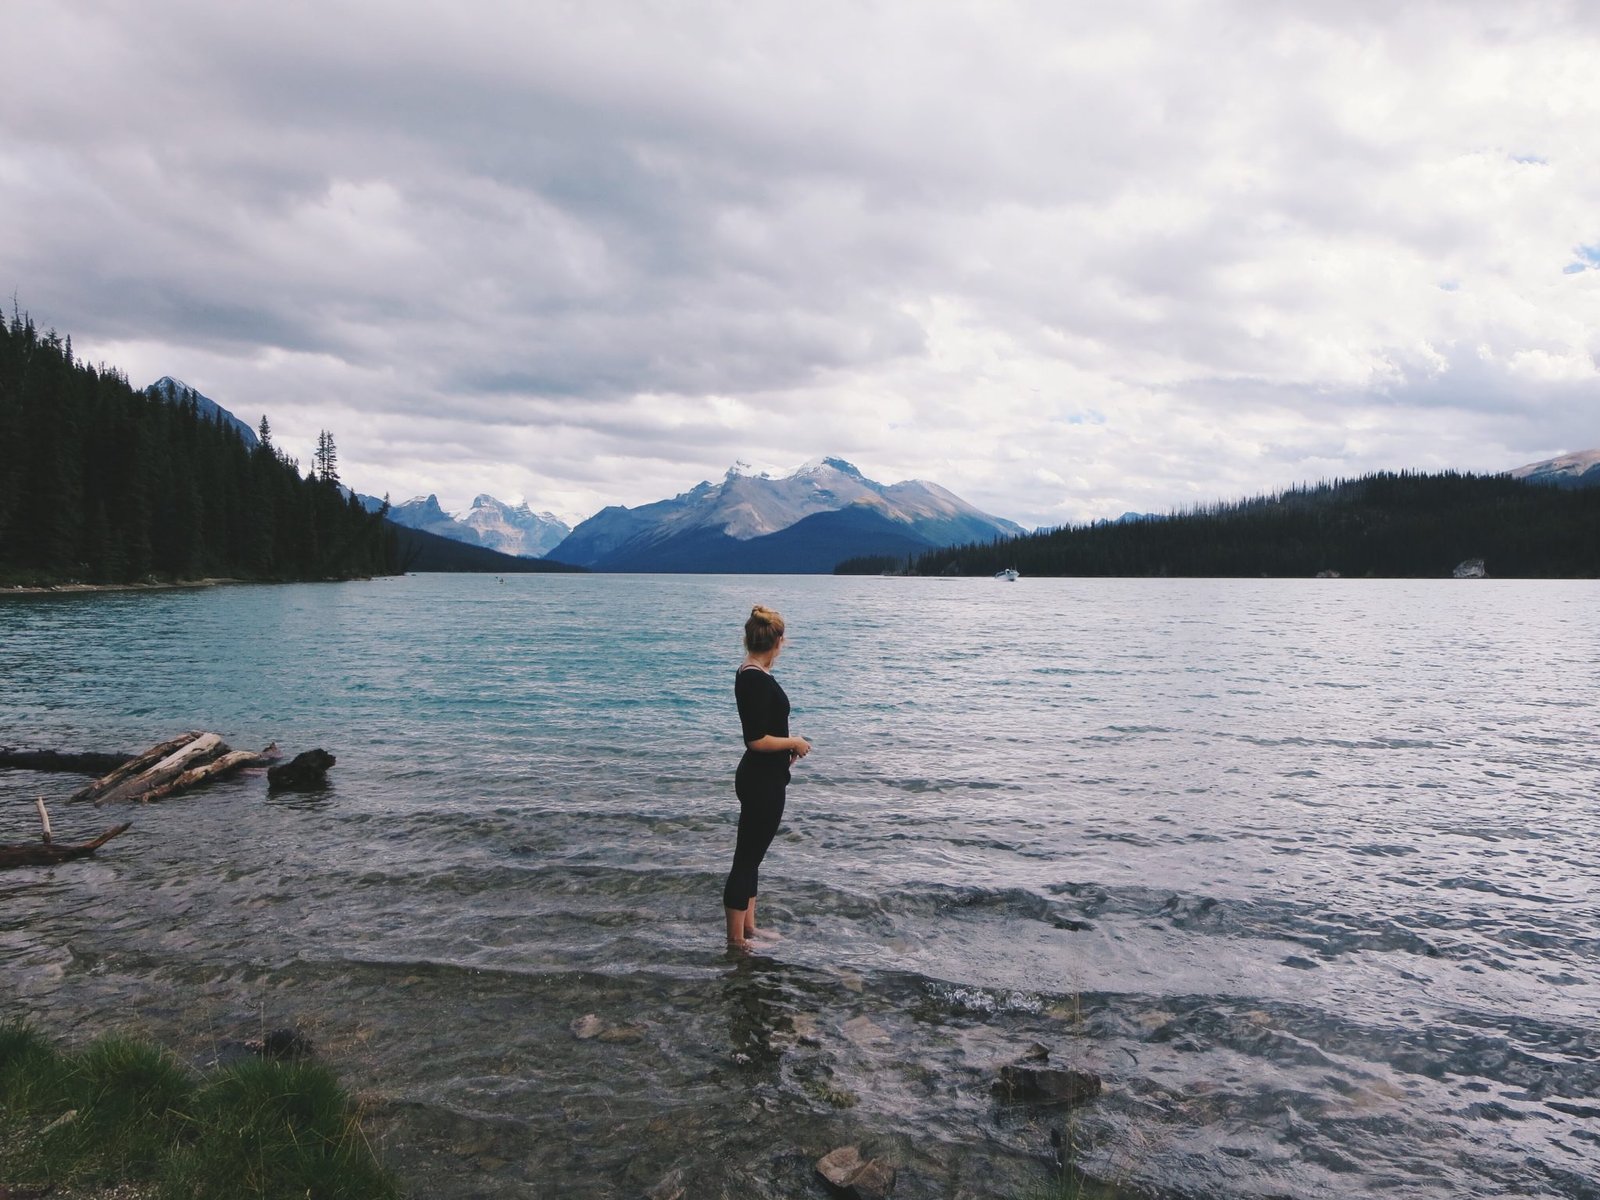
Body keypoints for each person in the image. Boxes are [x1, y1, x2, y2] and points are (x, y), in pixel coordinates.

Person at [723, 604, 810, 951]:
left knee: (752, 855)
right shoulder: (753, 678)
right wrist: (795, 742)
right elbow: (756, 740)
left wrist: (785, 755)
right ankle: (736, 940)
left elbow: (764, 735)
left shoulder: (752, 672)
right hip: (760, 780)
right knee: (746, 857)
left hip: (765, 776)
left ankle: (750, 928)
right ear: (777, 641)